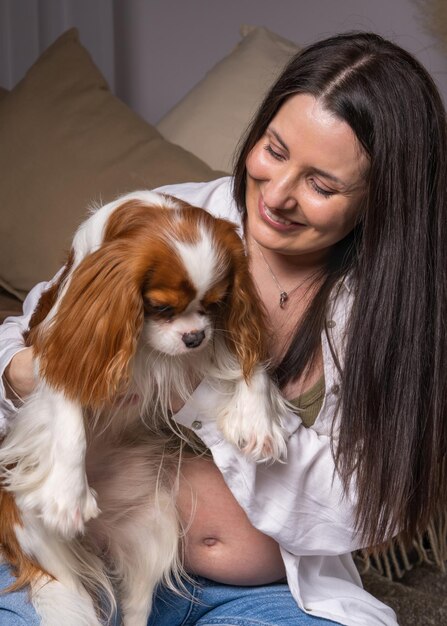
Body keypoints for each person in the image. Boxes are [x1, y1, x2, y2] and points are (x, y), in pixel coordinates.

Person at [1, 31, 446, 626]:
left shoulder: (400, 312)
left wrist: (195, 388)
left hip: (258, 595)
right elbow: (28, 332)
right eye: (274, 149)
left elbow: (360, 510)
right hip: (74, 555)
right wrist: (27, 372)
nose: (279, 194)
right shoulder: (171, 224)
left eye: (321, 185)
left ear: (382, 200)